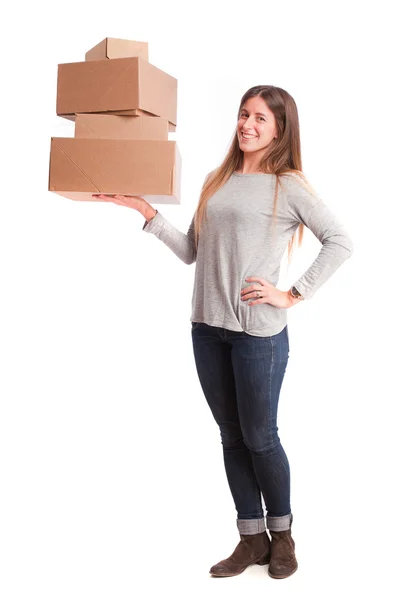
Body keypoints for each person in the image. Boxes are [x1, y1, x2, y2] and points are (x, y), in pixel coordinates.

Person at [94, 85, 353, 579]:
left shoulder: (288, 184)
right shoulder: (218, 179)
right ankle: (250, 537)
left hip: (258, 335)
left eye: (259, 118)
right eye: (243, 115)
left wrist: (291, 295)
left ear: (279, 128)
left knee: (261, 436)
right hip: (207, 330)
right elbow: (193, 250)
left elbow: (340, 242)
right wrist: (146, 212)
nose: (247, 125)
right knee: (232, 436)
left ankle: (283, 538)